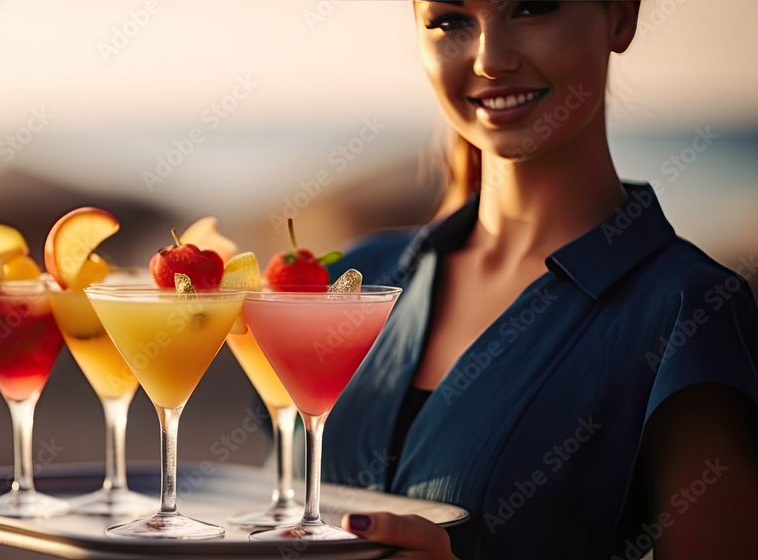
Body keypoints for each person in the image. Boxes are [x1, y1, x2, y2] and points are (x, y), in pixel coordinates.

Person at [321, 2, 758, 559]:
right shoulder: (352, 279)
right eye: (450, 21)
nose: (489, 59)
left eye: (531, 8)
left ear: (621, 18)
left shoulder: (688, 309)